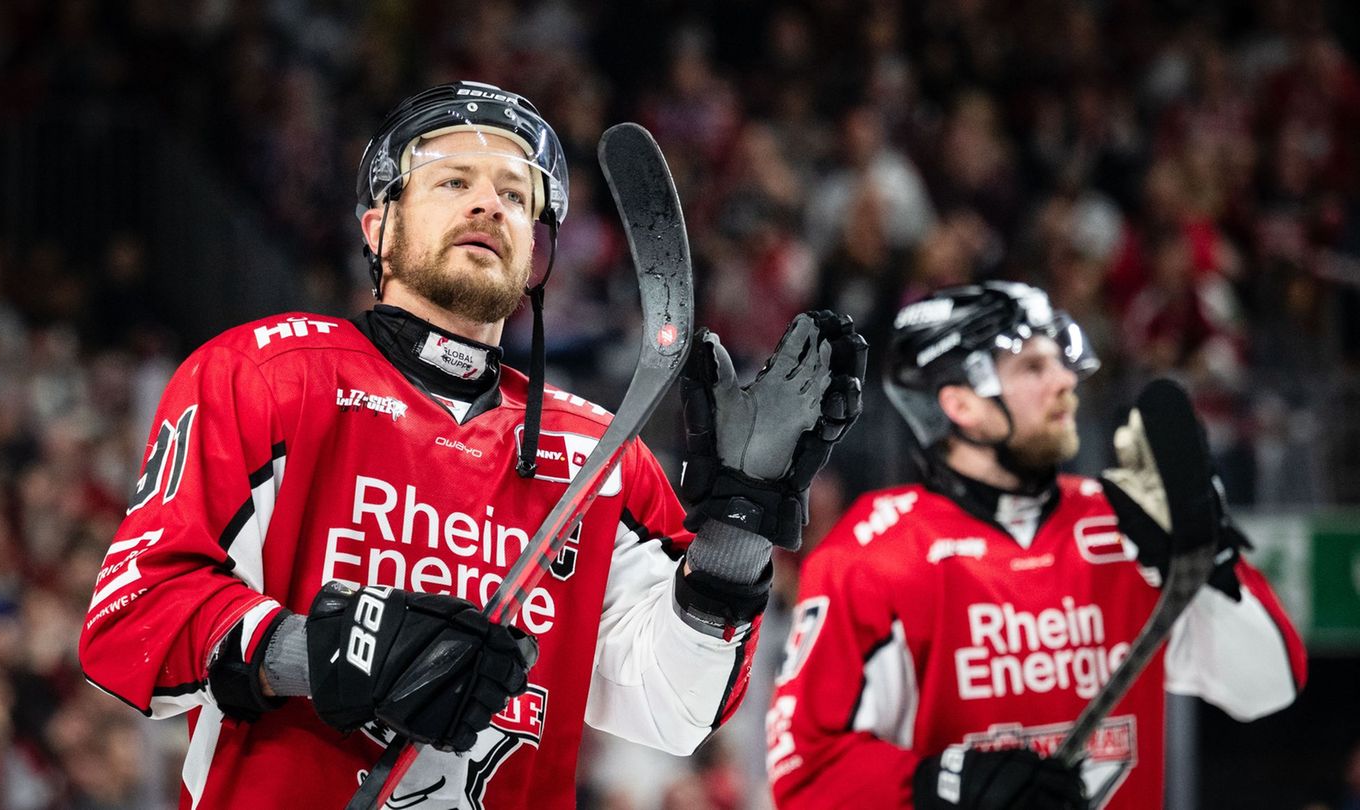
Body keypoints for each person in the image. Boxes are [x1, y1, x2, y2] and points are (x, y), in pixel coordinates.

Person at [77, 80, 864, 809]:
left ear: (535, 256)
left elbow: (676, 705)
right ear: (377, 225)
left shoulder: (599, 455)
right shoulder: (268, 375)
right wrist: (329, 653)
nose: (489, 202)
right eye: (453, 181)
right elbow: (132, 618)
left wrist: (739, 527)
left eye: (517, 195)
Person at [766, 281, 1306, 809]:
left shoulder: (1128, 526)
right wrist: (942, 784)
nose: (1065, 381)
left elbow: (1270, 686)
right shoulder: (872, 555)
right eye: (1032, 367)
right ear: (961, 405)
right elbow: (804, 774)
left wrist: (1206, 560)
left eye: (1060, 361)